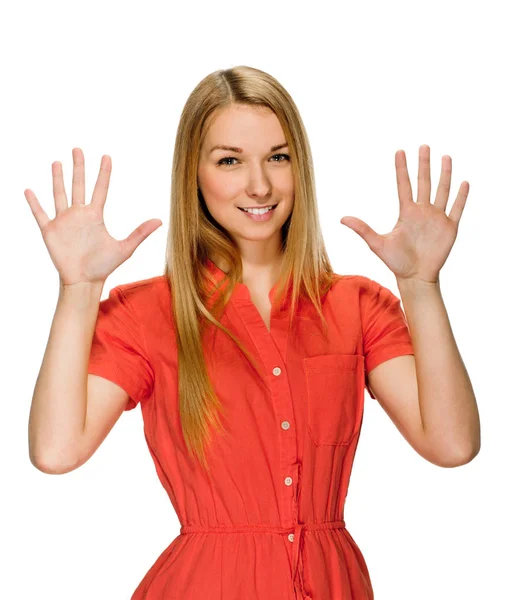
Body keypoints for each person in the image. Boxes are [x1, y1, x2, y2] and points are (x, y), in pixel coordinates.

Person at [26, 65, 480, 600]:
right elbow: (56, 452)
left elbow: (453, 445)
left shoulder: (356, 307)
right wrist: (79, 290)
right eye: (230, 161)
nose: (259, 184)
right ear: (193, 174)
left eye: (278, 157)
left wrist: (420, 285)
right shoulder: (147, 312)